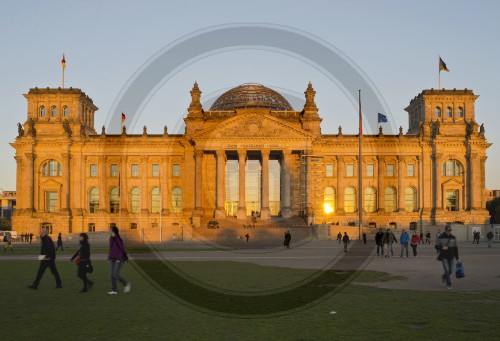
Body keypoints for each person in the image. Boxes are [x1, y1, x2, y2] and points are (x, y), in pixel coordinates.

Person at [435, 225, 460, 289]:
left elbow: (455, 248)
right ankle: (449, 284)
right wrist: (442, 247)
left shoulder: (453, 238)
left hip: (451, 256)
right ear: (445, 230)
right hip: (444, 256)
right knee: (446, 270)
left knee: (450, 271)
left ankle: (443, 277)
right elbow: (436, 246)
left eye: (450, 230)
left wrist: (457, 258)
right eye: (448, 230)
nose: (449, 232)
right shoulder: (440, 237)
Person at [108, 226, 131, 295]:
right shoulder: (111, 239)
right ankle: (114, 290)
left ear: (113, 231)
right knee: (112, 275)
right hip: (112, 258)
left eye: (110, 230)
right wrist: (109, 257)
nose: (109, 231)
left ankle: (126, 284)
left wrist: (119, 258)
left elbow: (121, 250)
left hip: (118, 259)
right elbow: (111, 249)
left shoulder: (118, 239)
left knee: (115, 274)